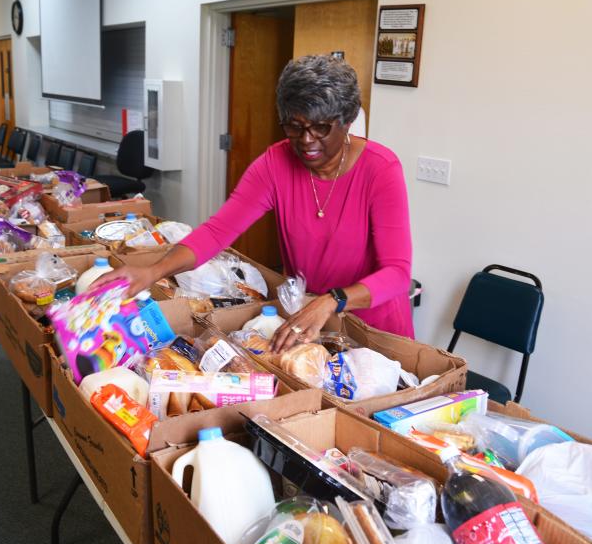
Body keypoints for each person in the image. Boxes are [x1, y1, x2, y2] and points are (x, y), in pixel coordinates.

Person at [97, 54, 413, 352]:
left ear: (346, 121)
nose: (306, 140)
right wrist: (152, 272)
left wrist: (333, 300)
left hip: (373, 329)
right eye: (295, 126)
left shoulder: (380, 169)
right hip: (310, 321)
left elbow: (397, 273)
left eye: (321, 127)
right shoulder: (275, 163)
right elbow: (217, 231)